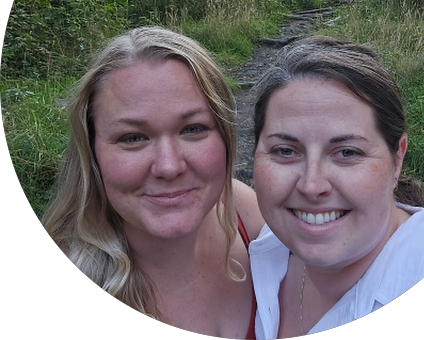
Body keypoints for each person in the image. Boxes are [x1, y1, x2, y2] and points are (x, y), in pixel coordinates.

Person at [42, 26, 264, 338]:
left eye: (192, 129)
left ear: (225, 136)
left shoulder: (244, 211)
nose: (169, 167)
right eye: (133, 138)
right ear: (91, 153)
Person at [249, 35, 424, 338]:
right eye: (285, 151)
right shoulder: (266, 250)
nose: (311, 186)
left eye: (347, 152)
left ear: (397, 159)